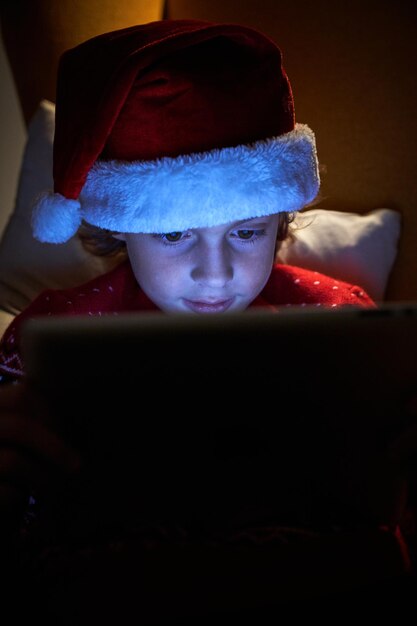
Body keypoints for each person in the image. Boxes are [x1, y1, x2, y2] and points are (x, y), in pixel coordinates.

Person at [2, 18, 413, 622]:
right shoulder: (47, 337)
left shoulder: (341, 319)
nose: (215, 274)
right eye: (173, 234)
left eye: (246, 231)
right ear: (121, 227)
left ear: (280, 222)